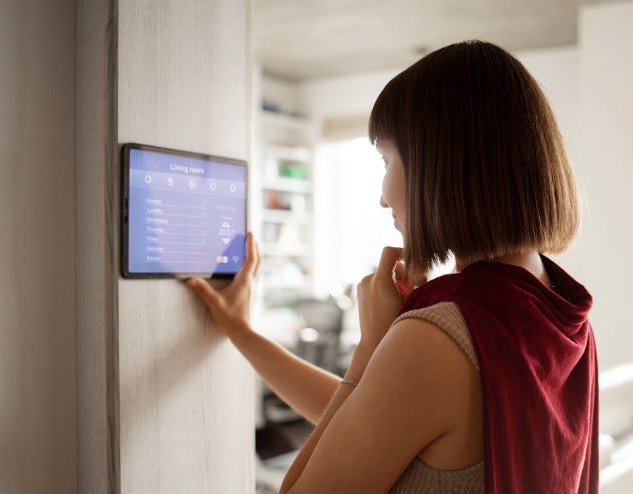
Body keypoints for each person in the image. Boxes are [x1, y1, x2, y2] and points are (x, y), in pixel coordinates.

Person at [187, 40, 598, 494]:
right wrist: (243, 333)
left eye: (387, 159)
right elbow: (375, 418)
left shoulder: (437, 337)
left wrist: (370, 349)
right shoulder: (554, 308)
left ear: (442, 166)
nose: (383, 194)